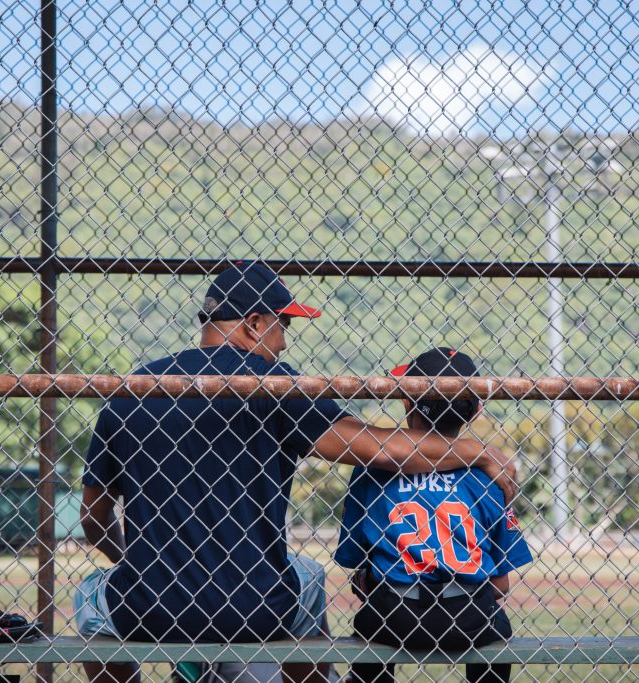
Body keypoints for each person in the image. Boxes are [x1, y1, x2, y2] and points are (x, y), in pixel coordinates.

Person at [76, 263, 518, 683]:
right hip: (257, 605)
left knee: (90, 597)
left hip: (148, 605)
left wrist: (143, 563)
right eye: (282, 326)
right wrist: (478, 452)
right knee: (307, 575)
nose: (284, 343)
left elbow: (93, 519)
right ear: (254, 323)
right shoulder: (274, 384)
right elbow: (383, 450)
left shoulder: (134, 389)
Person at [335, 348, 533, 683]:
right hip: (470, 616)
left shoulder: (372, 469)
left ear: (408, 402)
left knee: (368, 618)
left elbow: (354, 560)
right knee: (498, 626)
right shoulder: (489, 475)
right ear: (475, 411)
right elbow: (500, 583)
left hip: (394, 615)